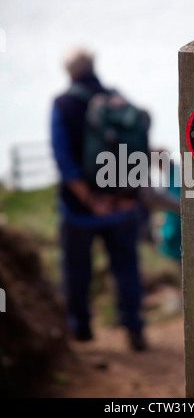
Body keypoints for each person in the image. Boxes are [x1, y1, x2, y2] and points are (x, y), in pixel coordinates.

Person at [50, 47, 147, 350]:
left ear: (69, 71)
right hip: (123, 205)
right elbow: (138, 146)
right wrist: (125, 197)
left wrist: (91, 200)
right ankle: (134, 329)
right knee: (127, 267)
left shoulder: (63, 104)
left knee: (77, 268)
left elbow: (63, 158)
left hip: (80, 209)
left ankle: (81, 330)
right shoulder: (119, 101)